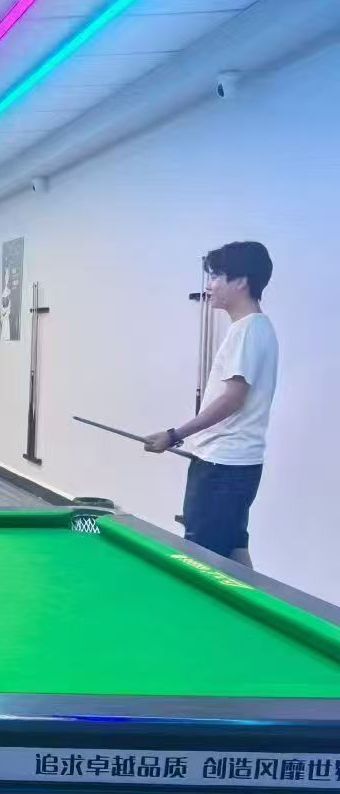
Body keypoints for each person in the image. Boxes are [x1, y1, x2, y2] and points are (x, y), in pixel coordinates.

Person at [144, 241, 278, 566]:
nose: (209, 285)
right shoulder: (259, 327)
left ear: (241, 281)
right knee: (233, 549)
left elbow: (232, 399)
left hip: (222, 467)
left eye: (216, 276)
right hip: (236, 464)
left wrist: (174, 434)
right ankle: (255, 602)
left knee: (202, 559)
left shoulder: (247, 331)